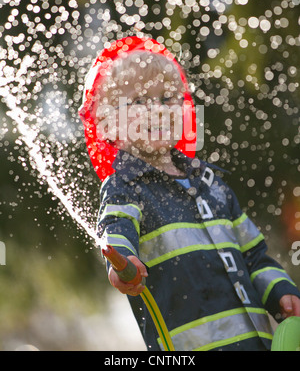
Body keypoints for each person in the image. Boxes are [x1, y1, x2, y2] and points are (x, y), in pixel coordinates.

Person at [79, 36, 300, 351]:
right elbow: (116, 227)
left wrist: (281, 292)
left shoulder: (213, 186)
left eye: (167, 98)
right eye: (139, 101)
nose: (156, 109)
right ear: (109, 124)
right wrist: (123, 263)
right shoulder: (124, 187)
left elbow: (254, 256)